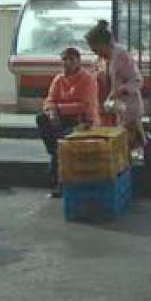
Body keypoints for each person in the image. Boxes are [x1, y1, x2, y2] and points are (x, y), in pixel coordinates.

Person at [38, 47, 100, 198]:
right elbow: (49, 101)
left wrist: (58, 109)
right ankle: (54, 150)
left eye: (71, 59)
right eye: (65, 59)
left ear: (78, 61)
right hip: (61, 119)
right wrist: (52, 111)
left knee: (62, 140)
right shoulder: (58, 79)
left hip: (83, 120)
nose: (67, 63)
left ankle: (57, 167)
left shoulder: (87, 79)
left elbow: (84, 105)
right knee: (41, 118)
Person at [85, 21, 145, 149]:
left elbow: (137, 80)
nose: (96, 53)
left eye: (96, 49)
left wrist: (121, 90)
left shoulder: (122, 56)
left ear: (104, 44)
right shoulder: (105, 59)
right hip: (114, 110)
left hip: (128, 109)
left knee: (127, 147)